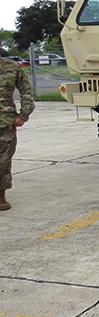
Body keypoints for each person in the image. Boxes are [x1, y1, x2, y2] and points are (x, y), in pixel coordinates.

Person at [0, 56, 35, 211]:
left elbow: (26, 89)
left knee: (3, 161)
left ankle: (0, 197)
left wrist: (23, 114)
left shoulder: (12, 68)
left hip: (5, 123)